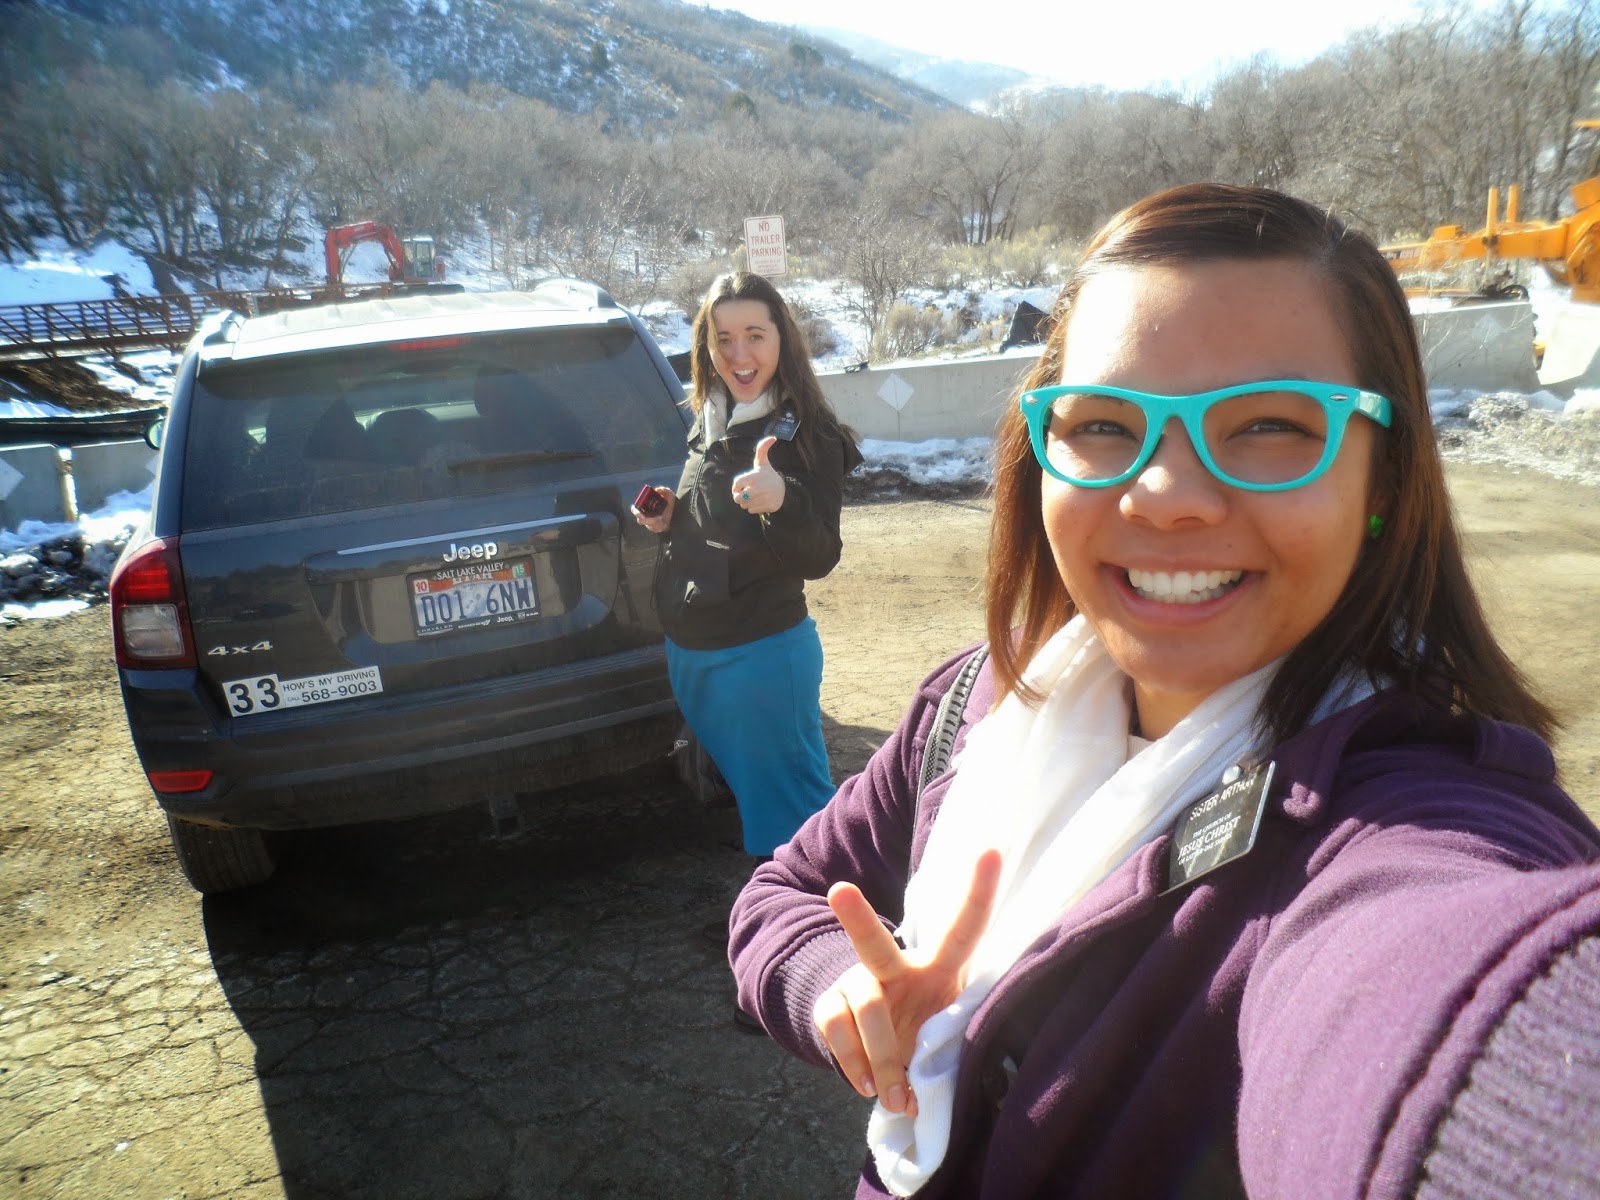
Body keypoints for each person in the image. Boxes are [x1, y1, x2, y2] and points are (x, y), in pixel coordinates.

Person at [728, 184, 1600, 1198]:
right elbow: (781, 894)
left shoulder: (1409, 822)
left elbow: (1448, 1007)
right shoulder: (979, 703)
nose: (1167, 496)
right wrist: (840, 989)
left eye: (1268, 425)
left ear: (1385, 483)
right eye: (1103, 423)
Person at [634, 271, 862, 872]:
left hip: (758, 656)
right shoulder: (711, 417)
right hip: (695, 649)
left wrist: (782, 499)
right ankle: (781, 905)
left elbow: (819, 556)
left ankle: (817, 917)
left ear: (782, 338)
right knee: (760, 801)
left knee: (797, 818)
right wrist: (673, 516)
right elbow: (719, 523)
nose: (739, 354)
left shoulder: (809, 435)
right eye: (723, 338)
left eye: (755, 335)